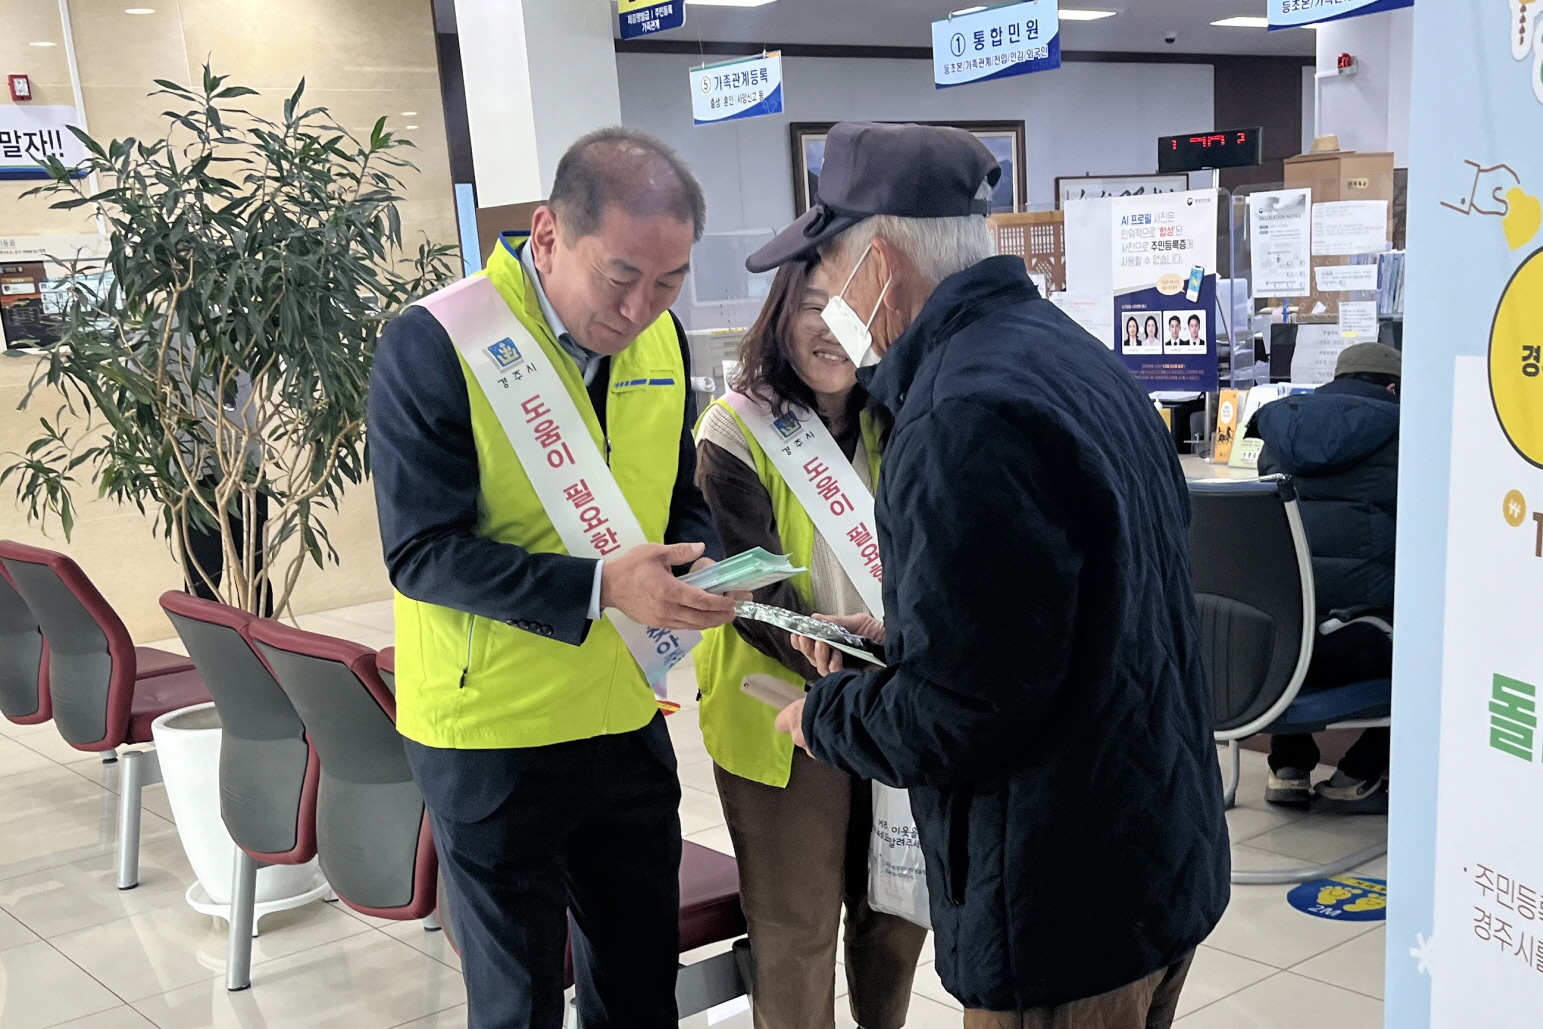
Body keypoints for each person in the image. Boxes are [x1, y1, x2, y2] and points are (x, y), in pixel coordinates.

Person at [756, 121, 1229, 1028]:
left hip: (1060, 898)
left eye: (825, 286)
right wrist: (917, 636)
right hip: (1153, 849)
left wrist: (825, 715)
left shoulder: (956, 412)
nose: (826, 319)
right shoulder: (1070, 356)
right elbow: (1084, 601)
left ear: (880, 265)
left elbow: (963, 714)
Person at [368, 127, 739, 1029]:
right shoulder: (438, 342)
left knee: (639, 981)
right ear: (545, 234)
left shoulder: (662, 343)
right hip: (491, 729)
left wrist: (703, 561)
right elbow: (422, 551)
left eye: (669, 282)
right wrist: (603, 588)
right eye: (619, 278)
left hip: (621, 714)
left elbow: (670, 495)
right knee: (520, 996)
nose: (642, 307)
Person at [693, 260, 928, 1029]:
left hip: (894, 698)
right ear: (780, 315)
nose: (829, 327)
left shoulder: (898, 419)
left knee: (894, 909)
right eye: (811, 306)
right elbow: (751, 592)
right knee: (795, 928)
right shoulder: (733, 427)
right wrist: (853, 666)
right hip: (781, 709)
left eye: (849, 309)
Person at [1254, 342, 1401, 812]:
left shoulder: (1280, 435)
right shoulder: (1409, 436)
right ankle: (1357, 774)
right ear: (1394, 388)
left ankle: (1289, 768)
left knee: (1293, 600)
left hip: (1274, 647)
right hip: (1362, 643)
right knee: (1438, 640)